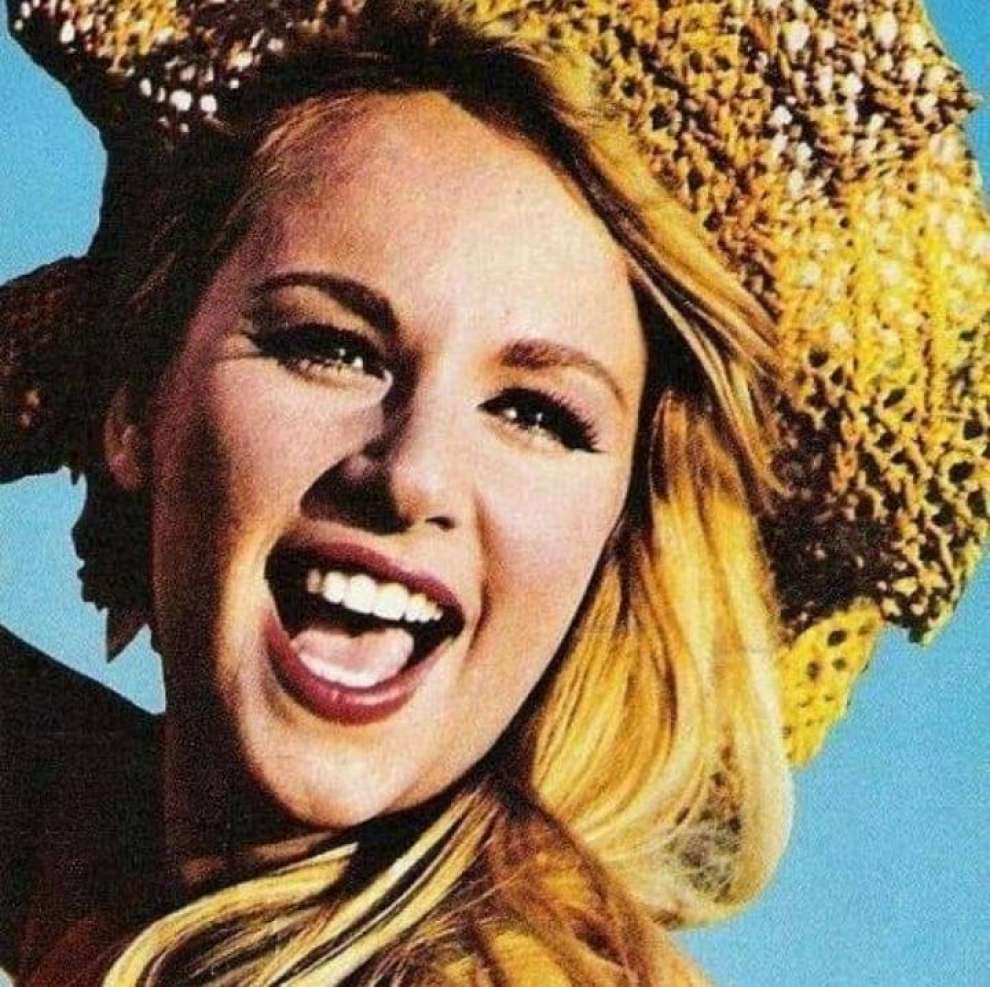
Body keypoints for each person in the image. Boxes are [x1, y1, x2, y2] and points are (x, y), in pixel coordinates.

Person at [1, 1, 986, 984]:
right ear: (136, 405)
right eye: (331, 347)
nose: (412, 472)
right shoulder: (126, 878)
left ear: (618, 535)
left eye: (535, 413)